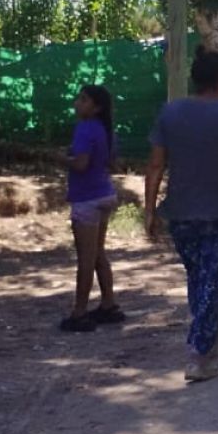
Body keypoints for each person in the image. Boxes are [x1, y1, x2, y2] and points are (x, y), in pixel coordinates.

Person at [145, 49, 218, 382]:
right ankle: (198, 352)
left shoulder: (171, 112)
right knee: (213, 280)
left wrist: (149, 211)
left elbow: (155, 166)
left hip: (181, 212)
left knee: (198, 277)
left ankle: (207, 336)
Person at [61, 85, 123, 333]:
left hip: (86, 197)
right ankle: (108, 303)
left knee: (86, 257)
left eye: (83, 100)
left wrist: (60, 159)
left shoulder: (84, 129)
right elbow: (111, 161)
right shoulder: (105, 129)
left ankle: (79, 311)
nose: (77, 103)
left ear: (95, 107)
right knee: (98, 253)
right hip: (105, 193)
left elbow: (81, 164)